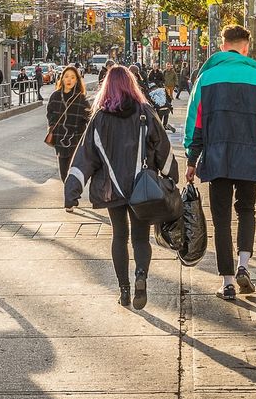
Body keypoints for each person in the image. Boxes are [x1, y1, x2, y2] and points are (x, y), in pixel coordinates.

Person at [184, 24, 256, 301]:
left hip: (216, 157)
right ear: (245, 47)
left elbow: (195, 123)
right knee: (247, 210)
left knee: (221, 219)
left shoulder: (206, 78)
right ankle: (243, 266)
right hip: (249, 156)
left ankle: (227, 282)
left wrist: (191, 158)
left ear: (222, 45)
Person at [66, 65, 178, 310]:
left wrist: (72, 191)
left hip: (110, 188)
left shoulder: (99, 119)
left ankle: (124, 291)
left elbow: (85, 157)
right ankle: (141, 276)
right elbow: (163, 147)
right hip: (142, 188)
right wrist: (172, 175)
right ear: (131, 84)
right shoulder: (144, 113)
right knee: (140, 237)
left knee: (119, 235)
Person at [47, 66, 91, 184]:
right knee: (63, 172)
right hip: (60, 139)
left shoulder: (81, 99)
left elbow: (90, 117)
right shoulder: (55, 96)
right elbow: (50, 113)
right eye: (66, 77)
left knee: (74, 171)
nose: (69, 80)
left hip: (76, 140)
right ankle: (69, 192)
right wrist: (52, 126)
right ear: (61, 79)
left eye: (72, 77)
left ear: (77, 80)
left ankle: (72, 196)